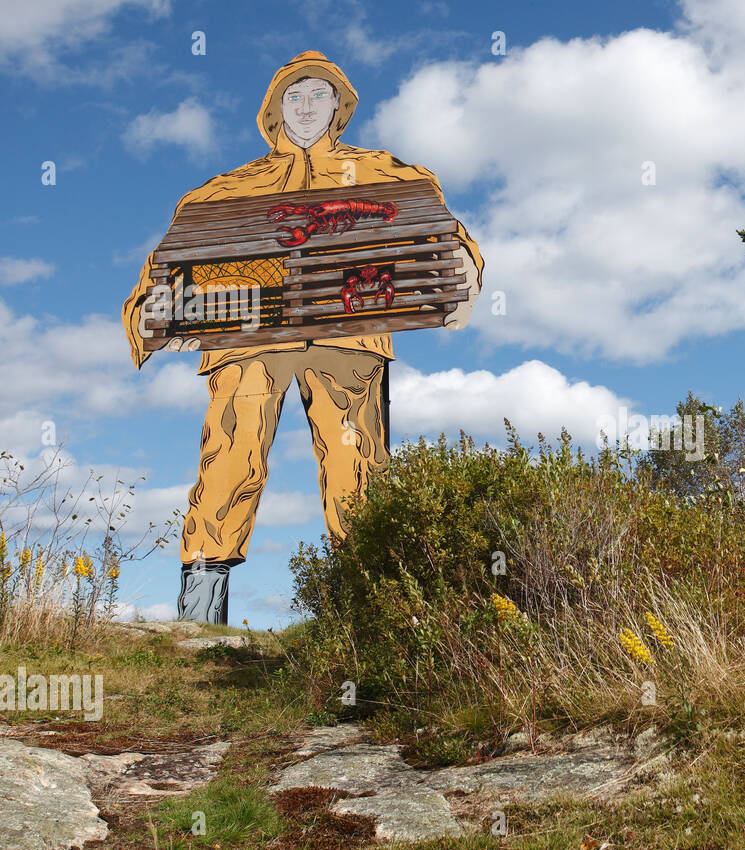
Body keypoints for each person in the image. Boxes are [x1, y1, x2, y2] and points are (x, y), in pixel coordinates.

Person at [120, 51, 484, 624]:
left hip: (349, 338)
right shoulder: (222, 192)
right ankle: (199, 620)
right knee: (229, 457)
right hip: (248, 343)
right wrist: (148, 313)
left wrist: (464, 268)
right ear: (274, 109)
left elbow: (443, 235)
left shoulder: (388, 175)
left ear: (339, 106)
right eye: (295, 95)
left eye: (319, 94)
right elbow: (169, 262)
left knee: (354, 462)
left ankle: (366, 616)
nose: (307, 105)